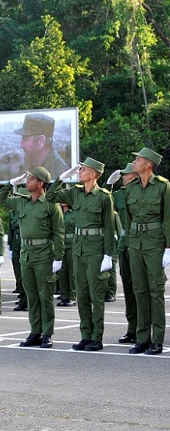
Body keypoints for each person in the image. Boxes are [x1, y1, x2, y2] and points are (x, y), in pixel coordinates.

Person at [46, 157, 116, 352]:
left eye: (83, 169)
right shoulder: (75, 193)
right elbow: (50, 196)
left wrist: (108, 255)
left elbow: (109, 227)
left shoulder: (103, 197)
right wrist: (61, 178)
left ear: (93, 174)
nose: (80, 172)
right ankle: (85, 335)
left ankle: (97, 337)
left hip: (95, 248)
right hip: (78, 248)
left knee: (96, 294)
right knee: (82, 294)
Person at [0, 167, 64, 348]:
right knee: (32, 295)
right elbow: (0, 200)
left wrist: (58, 257)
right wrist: (11, 183)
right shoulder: (21, 202)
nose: (27, 182)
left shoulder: (51, 204)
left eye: (31, 179)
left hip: (43, 253)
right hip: (26, 253)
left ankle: (47, 333)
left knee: (45, 295)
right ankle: (35, 332)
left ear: (41, 183)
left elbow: (59, 232)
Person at [121, 147, 169, 356]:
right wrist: (131, 243)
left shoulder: (162, 186)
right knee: (139, 290)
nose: (135, 162)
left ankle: (156, 340)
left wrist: (168, 248)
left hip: (155, 243)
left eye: (138, 159)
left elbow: (168, 217)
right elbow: (128, 219)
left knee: (155, 292)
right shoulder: (131, 187)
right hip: (136, 243)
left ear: (148, 164)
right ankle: (142, 338)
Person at [107, 163, 138, 343]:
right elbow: (104, 199)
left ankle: (143, 329)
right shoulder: (120, 195)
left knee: (140, 289)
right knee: (128, 289)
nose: (123, 178)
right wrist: (110, 184)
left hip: (139, 242)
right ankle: (132, 328)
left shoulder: (140, 193)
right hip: (125, 243)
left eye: (126, 175)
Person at [14, 113, 68, 181]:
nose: (21, 145)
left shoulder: (57, 170)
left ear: (41, 142)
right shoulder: (37, 165)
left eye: (25, 139)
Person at [57, 203, 77, 307]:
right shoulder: (58, 213)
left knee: (72, 272)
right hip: (61, 245)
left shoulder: (74, 214)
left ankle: (72, 296)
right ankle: (64, 296)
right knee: (62, 272)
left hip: (72, 244)